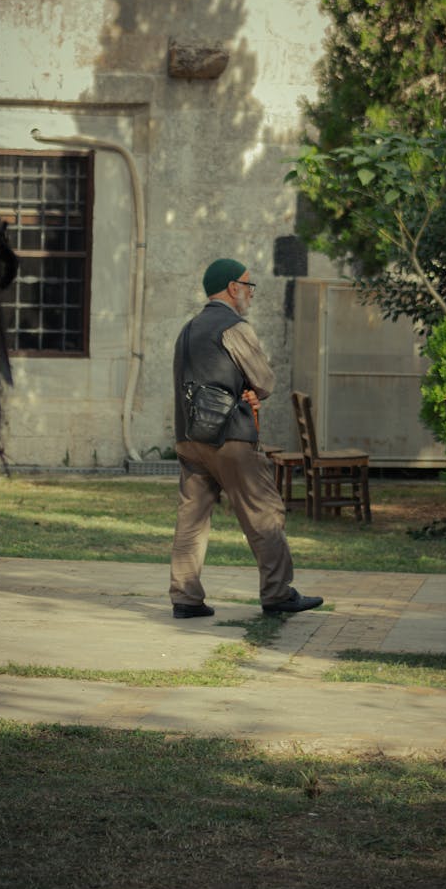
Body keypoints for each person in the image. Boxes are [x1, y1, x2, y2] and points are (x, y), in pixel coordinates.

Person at [169, 257, 323, 619]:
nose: (251, 294)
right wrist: (251, 390)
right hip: (230, 438)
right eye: (248, 286)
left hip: (189, 439)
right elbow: (265, 381)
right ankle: (277, 593)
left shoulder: (187, 329)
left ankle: (185, 598)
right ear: (233, 288)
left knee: (192, 518)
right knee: (263, 511)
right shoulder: (234, 327)